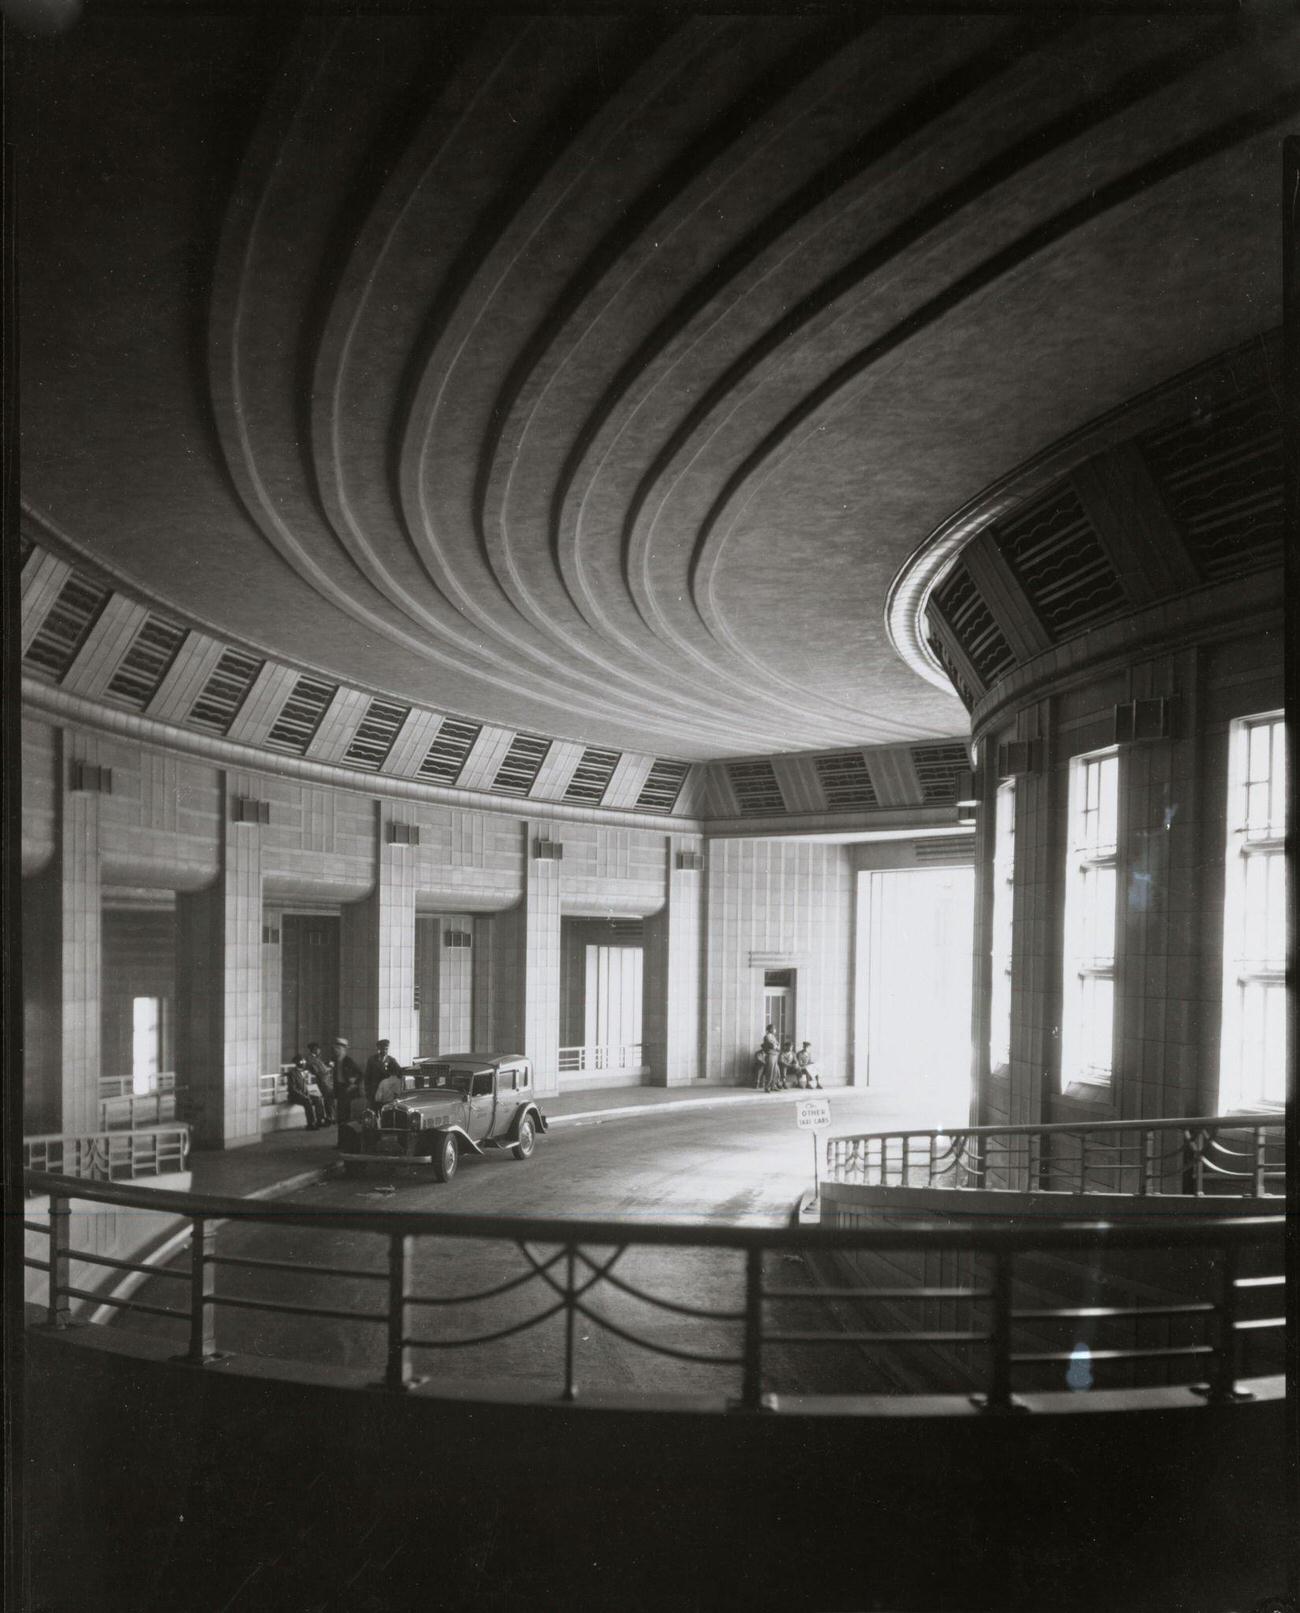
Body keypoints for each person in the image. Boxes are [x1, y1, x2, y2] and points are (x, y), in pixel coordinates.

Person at [331, 1037, 366, 1149]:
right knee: (340, 1118)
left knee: (346, 1118)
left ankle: (345, 1143)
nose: (336, 1050)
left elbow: (360, 1074)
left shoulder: (348, 1061)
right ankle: (340, 1142)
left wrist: (353, 1084)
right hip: (340, 1090)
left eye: (338, 1048)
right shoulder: (336, 1061)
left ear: (343, 1049)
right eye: (335, 1048)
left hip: (348, 1092)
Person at [286, 1055, 326, 1130]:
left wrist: (306, 1095)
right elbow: (292, 1088)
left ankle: (320, 1120)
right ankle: (311, 1123)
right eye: (301, 1061)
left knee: (318, 1099)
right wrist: (303, 1095)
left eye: (304, 1061)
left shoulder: (303, 1072)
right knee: (307, 1101)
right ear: (297, 1063)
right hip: (295, 1096)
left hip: (304, 1094)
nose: (304, 1063)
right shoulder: (292, 1073)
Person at [364, 1038, 402, 1107]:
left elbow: (399, 1073)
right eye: (382, 1049)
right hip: (374, 1091)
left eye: (386, 1049)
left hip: (387, 1093)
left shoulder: (391, 1060)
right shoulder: (372, 1060)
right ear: (379, 1048)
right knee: (374, 1112)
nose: (384, 1051)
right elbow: (367, 1077)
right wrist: (367, 1092)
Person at [305, 1041, 334, 1121]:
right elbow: (316, 1070)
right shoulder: (310, 1058)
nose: (319, 1050)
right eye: (318, 1049)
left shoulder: (316, 1058)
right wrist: (328, 1069)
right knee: (327, 1098)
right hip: (321, 1080)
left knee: (328, 1098)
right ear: (314, 1049)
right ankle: (329, 1117)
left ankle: (330, 1116)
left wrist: (326, 1066)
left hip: (325, 1080)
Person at [759, 1023, 780, 1093]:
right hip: (770, 1054)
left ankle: (773, 1086)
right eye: (774, 1028)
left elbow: (778, 1045)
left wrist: (776, 1046)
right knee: (770, 1071)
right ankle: (767, 1087)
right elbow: (772, 1045)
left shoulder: (773, 1037)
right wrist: (776, 1046)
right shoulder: (767, 1036)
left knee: (775, 1071)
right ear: (770, 1029)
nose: (775, 1030)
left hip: (775, 1054)